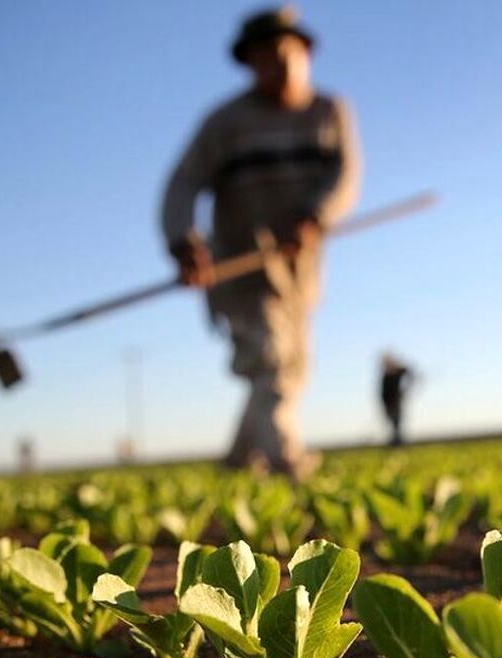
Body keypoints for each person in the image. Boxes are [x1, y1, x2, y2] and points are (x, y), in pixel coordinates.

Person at [161, 7, 361, 479]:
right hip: (241, 265)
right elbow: (182, 184)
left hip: (301, 269)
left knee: (290, 366)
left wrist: (315, 215)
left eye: (288, 55)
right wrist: (183, 241)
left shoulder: (329, 112)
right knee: (270, 360)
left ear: (306, 54)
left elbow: (345, 176)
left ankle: (237, 461)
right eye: (268, 58)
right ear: (250, 63)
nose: (281, 65)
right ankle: (285, 462)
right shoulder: (225, 123)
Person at [379, 353, 415, 446]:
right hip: (389, 404)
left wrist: (405, 389)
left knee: (397, 422)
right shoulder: (386, 377)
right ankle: (396, 441)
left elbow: (410, 373)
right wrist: (386, 406)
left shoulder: (398, 372)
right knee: (394, 424)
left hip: (397, 402)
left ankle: (398, 442)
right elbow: (383, 394)